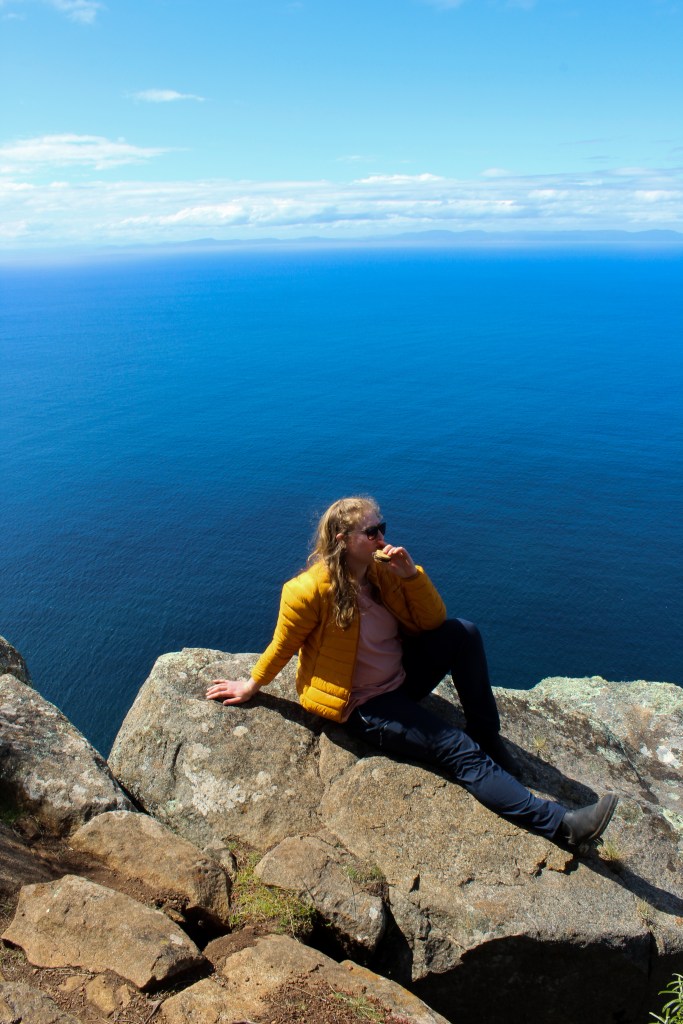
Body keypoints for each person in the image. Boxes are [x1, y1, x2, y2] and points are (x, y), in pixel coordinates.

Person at [206, 496, 617, 852]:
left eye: (382, 527)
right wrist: (251, 684)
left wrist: (410, 576)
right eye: (371, 531)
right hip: (365, 703)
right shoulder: (307, 591)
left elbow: (433, 621)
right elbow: (283, 645)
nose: (381, 537)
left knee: (463, 633)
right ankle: (561, 826)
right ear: (342, 540)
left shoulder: (381, 571)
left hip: (401, 678)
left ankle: (487, 735)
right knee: (456, 748)